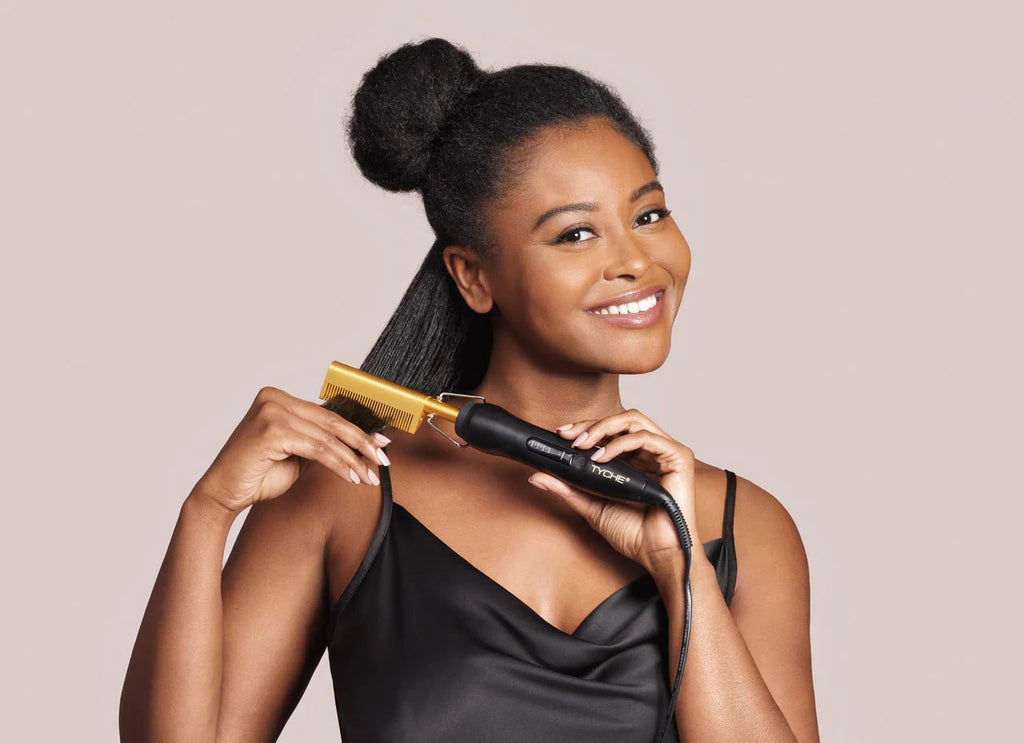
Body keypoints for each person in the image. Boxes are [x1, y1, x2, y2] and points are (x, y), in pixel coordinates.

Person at [119, 37, 819, 742]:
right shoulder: (346, 485)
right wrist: (208, 511)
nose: (636, 260)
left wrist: (680, 569)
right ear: (473, 276)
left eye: (649, 215)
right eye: (577, 234)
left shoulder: (745, 528)